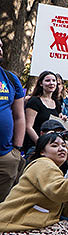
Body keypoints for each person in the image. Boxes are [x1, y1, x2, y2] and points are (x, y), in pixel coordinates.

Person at [0, 37, 25, 203]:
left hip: (6, 156)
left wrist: (16, 149)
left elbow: (19, 116)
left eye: (1, 46)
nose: (0, 50)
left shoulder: (10, 79)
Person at [23, 71, 63, 152]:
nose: (51, 83)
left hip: (52, 146)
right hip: (35, 146)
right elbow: (28, 127)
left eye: (54, 81)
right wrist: (40, 144)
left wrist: (62, 120)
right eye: (48, 81)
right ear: (41, 83)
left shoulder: (57, 103)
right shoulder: (34, 101)